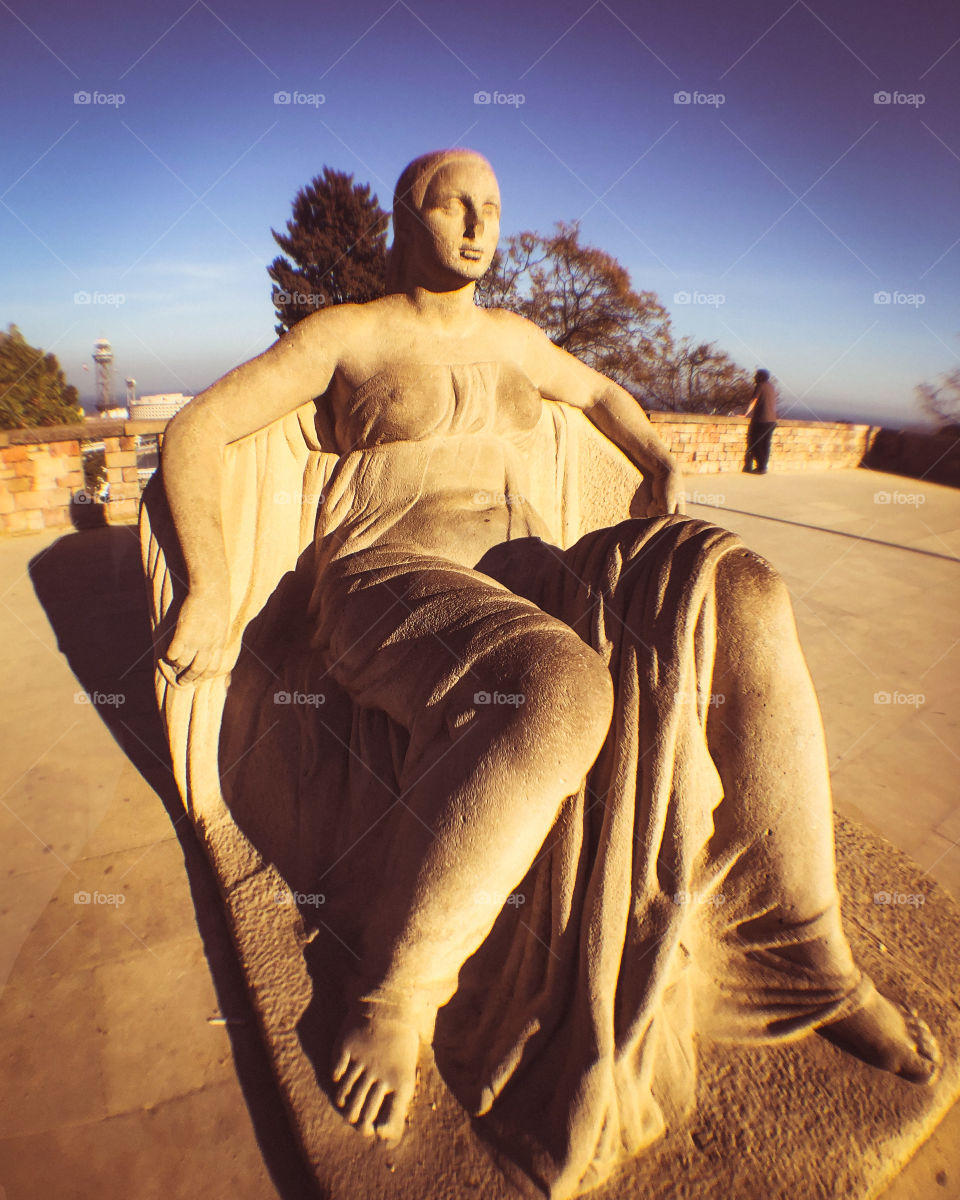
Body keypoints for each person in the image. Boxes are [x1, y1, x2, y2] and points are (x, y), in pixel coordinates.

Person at [158, 150, 937, 1197]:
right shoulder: (349, 335)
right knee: (558, 692)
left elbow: (606, 396)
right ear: (405, 215)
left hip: (535, 568)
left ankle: (803, 954)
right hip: (395, 577)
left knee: (740, 587)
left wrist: (658, 461)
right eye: (454, 205)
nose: (480, 226)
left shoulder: (519, 342)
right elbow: (199, 428)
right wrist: (210, 586)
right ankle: (395, 994)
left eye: (493, 208)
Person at [744, 368, 778, 473]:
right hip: (772, 421)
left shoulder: (760, 386)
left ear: (760, 377)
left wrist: (746, 414)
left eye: (756, 376)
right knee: (766, 444)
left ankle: (761, 467)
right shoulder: (771, 387)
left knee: (755, 443)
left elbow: (754, 400)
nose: (754, 378)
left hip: (762, 420)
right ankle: (763, 466)